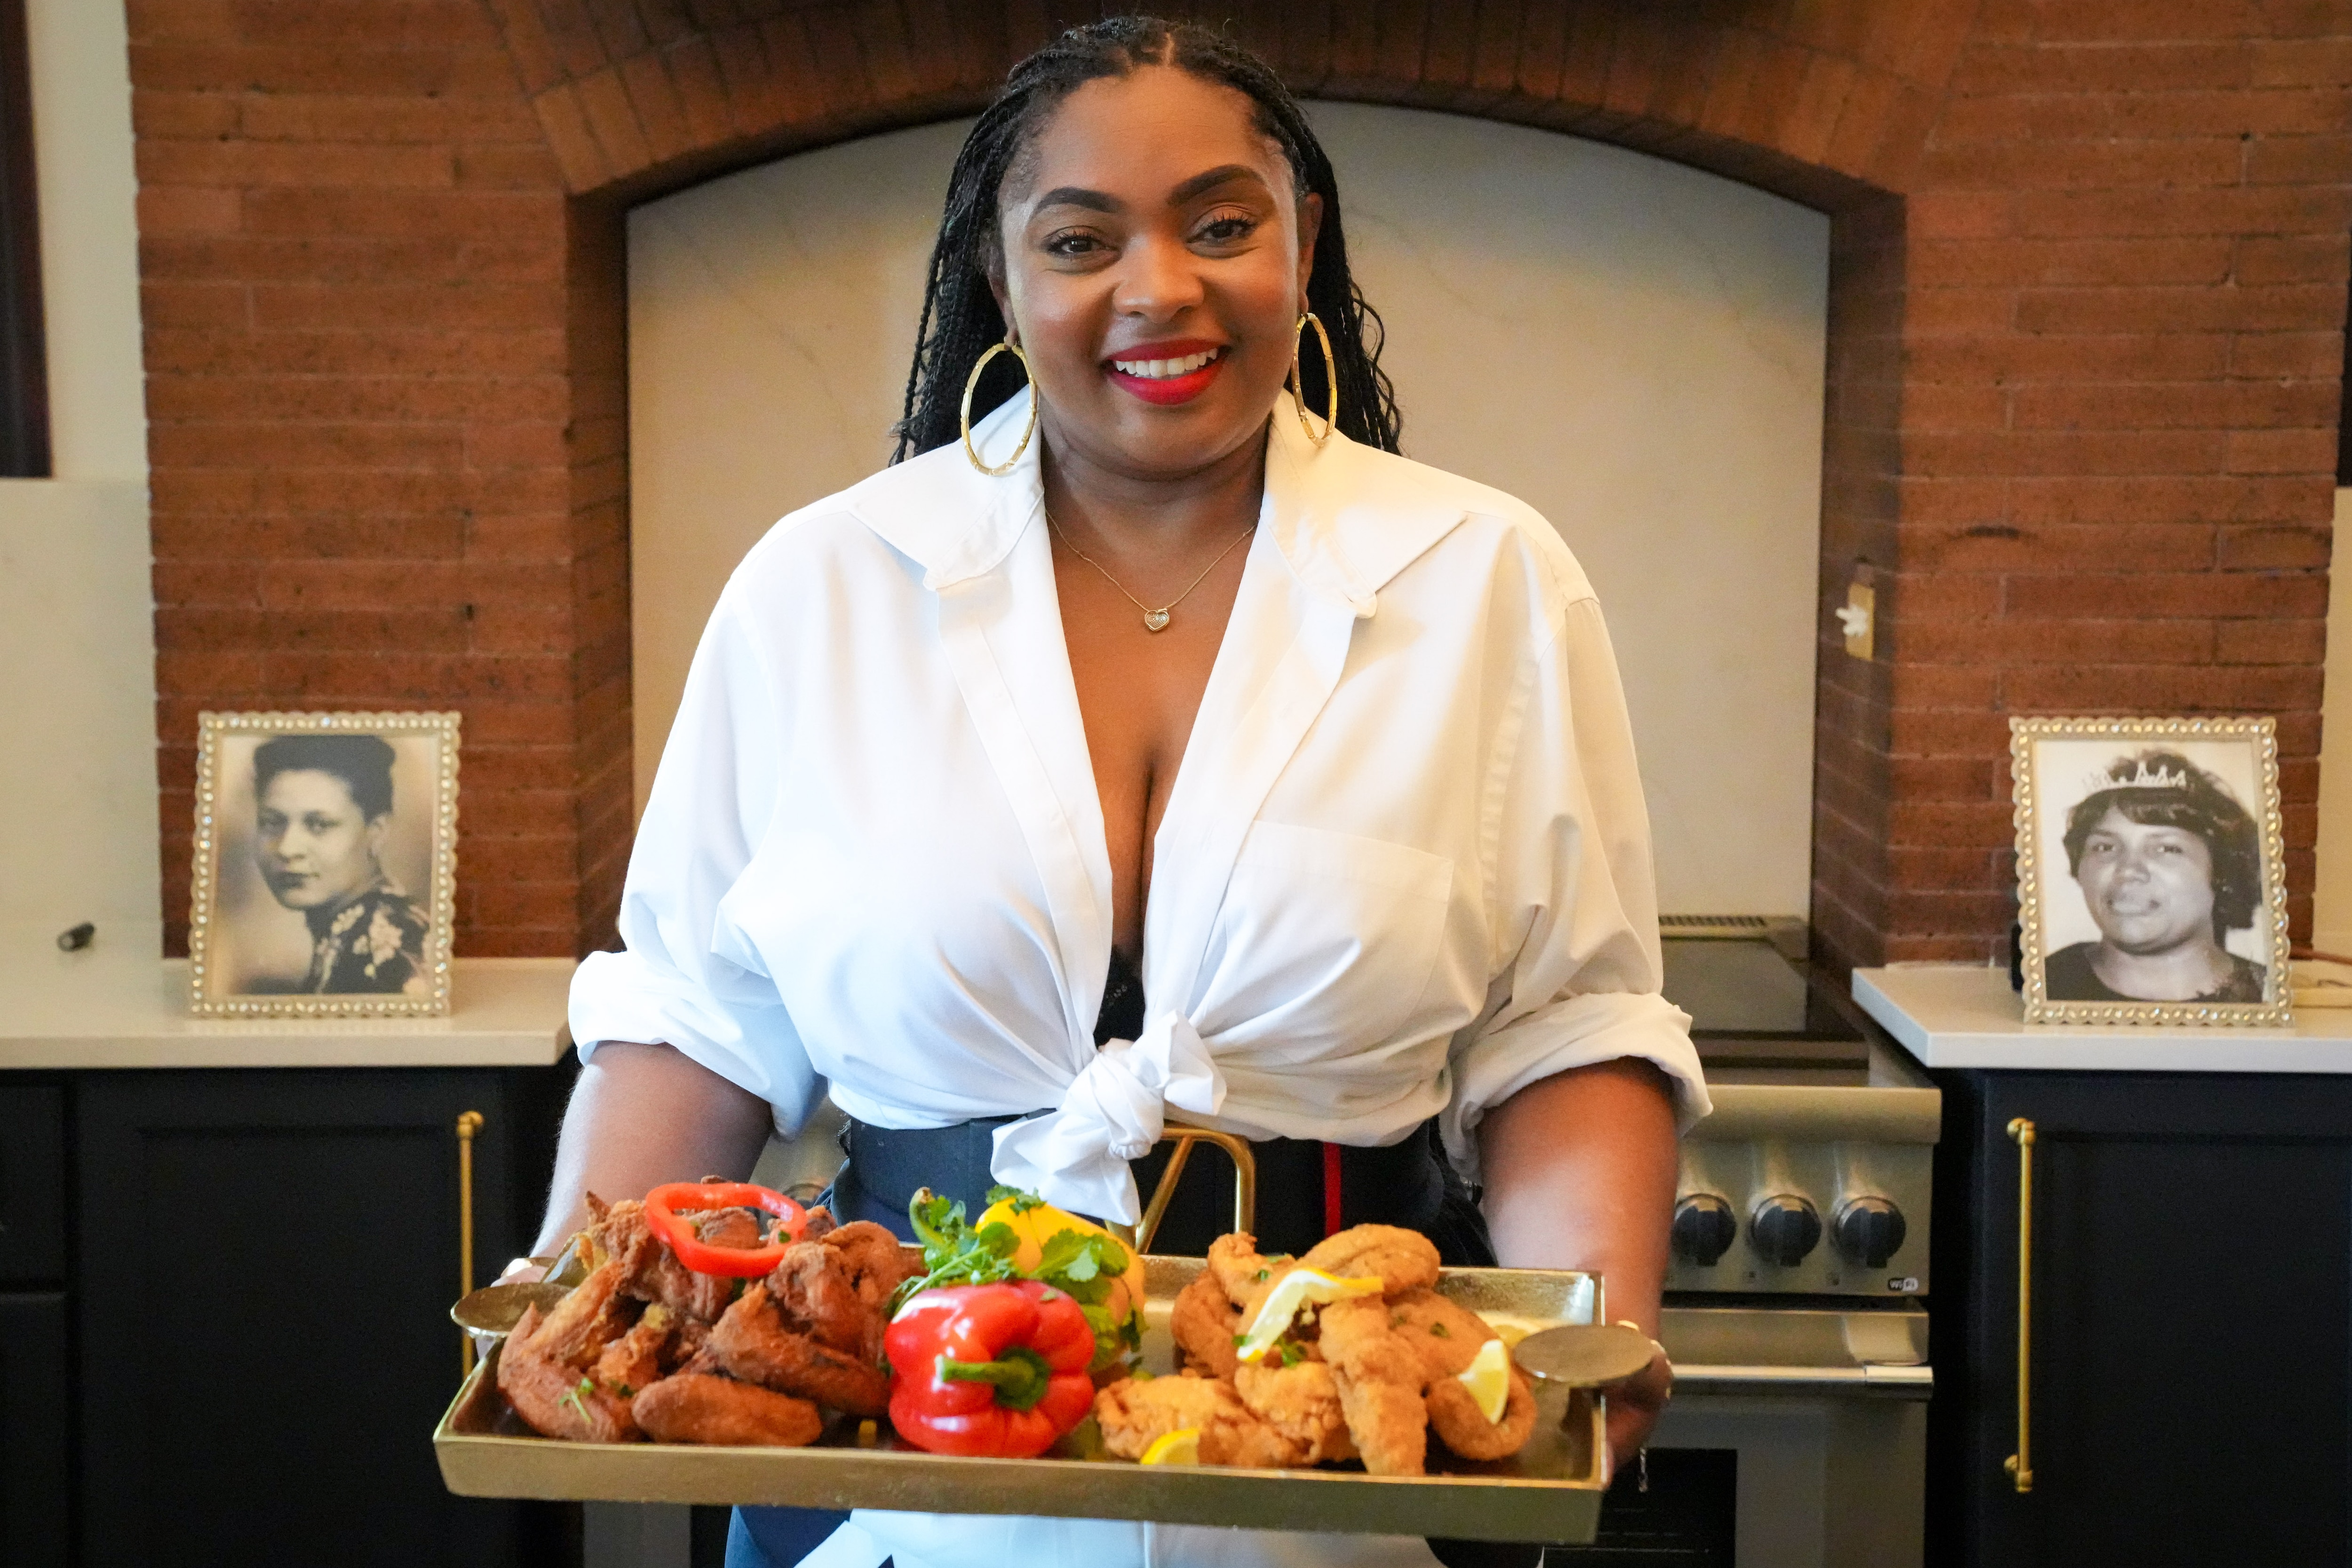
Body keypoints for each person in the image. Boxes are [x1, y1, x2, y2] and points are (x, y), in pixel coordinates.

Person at [535, 18, 1708, 1568]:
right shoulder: (821, 586)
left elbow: (1564, 1026)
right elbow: (697, 1014)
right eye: (1081, 238)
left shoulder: (1486, 579)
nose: (1162, 287)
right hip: (885, 1475)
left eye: (1224, 224)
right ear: (1001, 283)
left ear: (1303, 247)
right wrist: (571, 1314)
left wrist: (1597, 1334)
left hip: (1346, 1496)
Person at [2043, 749, 2269, 1004]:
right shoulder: (2046, 984)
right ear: (2079, 869)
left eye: (2166, 849)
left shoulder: (2265, 995)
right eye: (2105, 847)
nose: (2128, 870)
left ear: (2222, 872)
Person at [248, 733, 426, 995]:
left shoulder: (390, 950)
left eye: (319, 825)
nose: (287, 849)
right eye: (273, 822)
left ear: (376, 833)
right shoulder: (352, 934)